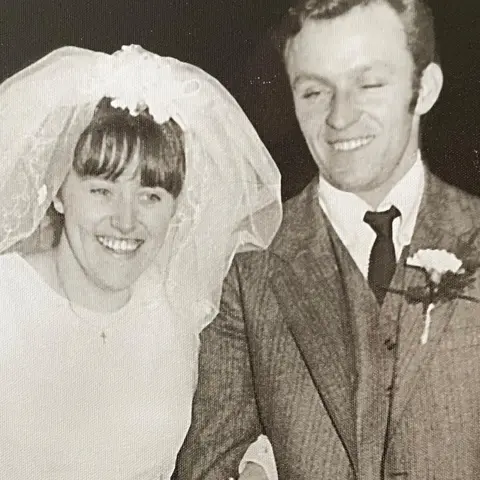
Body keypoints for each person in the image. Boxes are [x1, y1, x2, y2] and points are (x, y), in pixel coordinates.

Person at [176, 0, 480, 479]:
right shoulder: (248, 260)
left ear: (425, 89)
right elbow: (210, 465)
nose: (340, 117)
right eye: (315, 91)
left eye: (369, 84)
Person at [0, 45, 282, 479]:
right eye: (101, 190)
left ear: (176, 208)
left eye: (151, 196)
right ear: (58, 190)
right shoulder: (8, 301)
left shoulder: (179, 318)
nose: (126, 220)